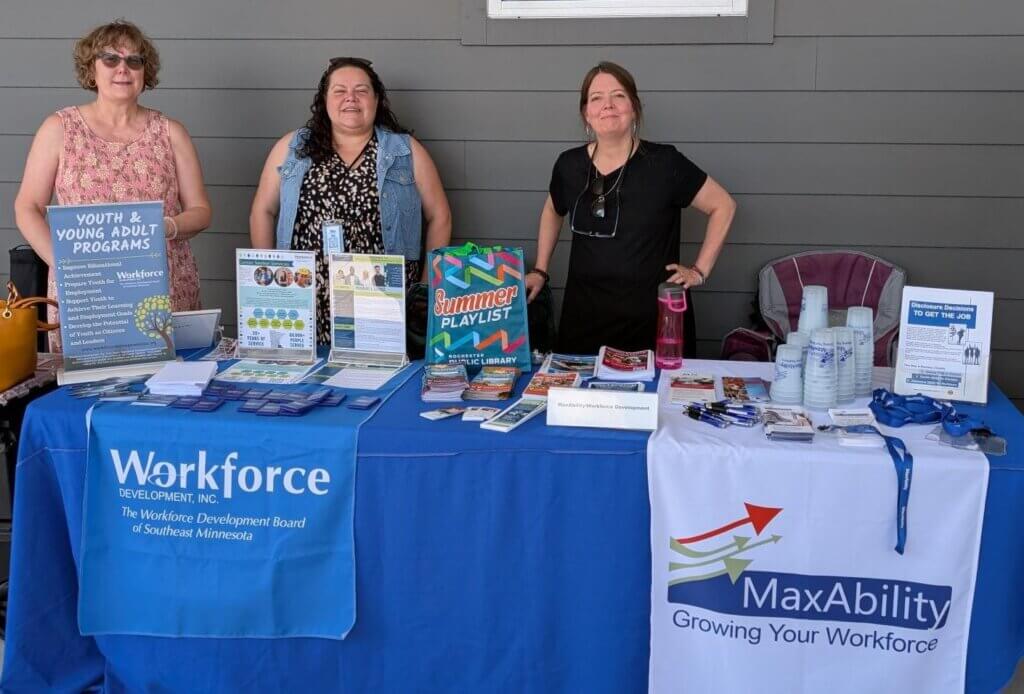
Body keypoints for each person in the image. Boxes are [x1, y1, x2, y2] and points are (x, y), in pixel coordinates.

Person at [14, 20, 212, 351]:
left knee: (166, 390)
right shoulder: (59, 128)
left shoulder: (171, 132)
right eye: (111, 59)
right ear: (91, 69)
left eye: (134, 61)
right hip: (88, 291)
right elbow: (27, 207)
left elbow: (202, 211)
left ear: (145, 73)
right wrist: (63, 265)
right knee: (84, 391)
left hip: (162, 287)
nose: (123, 68)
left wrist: (167, 226)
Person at [526, 61, 735, 356]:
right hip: (585, 320)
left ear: (634, 107)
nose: (607, 105)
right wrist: (540, 269)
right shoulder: (568, 166)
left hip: (654, 323)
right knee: (586, 400)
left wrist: (699, 271)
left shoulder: (665, 163)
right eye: (596, 98)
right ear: (586, 112)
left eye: (618, 96)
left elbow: (723, 205)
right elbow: (552, 210)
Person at [250, 57, 452, 344]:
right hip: (306, 294)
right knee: (312, 381)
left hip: (383, 297)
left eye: (361, 91)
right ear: (324, 99)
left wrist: (425, 285)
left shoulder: (405, 151)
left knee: (380, 378)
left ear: (377, 99)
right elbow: (263, 209)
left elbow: (440, 215)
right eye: (339, 91)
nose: (350, 99)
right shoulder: (293, 147)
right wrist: (268, 277)